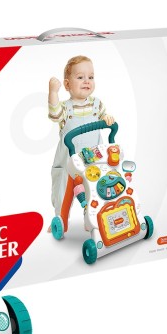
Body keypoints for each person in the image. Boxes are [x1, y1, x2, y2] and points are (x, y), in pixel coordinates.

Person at [48, 55, 114, 232]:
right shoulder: (65, 108)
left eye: (91, 77)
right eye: (80, 77)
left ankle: (91, 218)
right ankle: (60, 219)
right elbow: (54, 115)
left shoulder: (97, 104)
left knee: (96, 188)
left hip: (93, 159)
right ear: (67, 84)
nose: (87, 81)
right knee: (62, 188)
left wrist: (107, 118)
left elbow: (104, 117)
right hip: (68, 161)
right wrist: (53, 93)